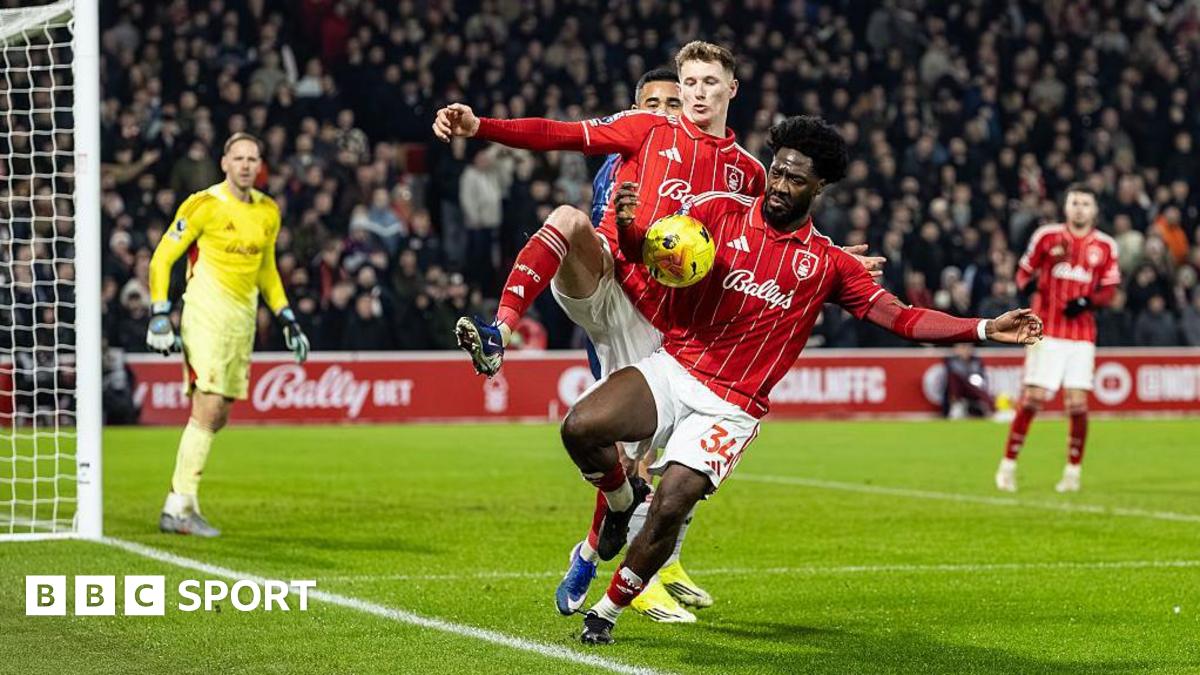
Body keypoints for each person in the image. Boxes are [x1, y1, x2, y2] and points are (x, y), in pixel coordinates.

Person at [564, 116, 1042, 644]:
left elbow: (902, 317)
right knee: (581, 427)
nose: (779, 185)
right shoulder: (715, 212)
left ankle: (607, 610)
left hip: (732, 406)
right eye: (777, 171)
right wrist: (631, 228)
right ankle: (619, 498)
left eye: (795, 179)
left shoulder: (829, 265)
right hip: (676, 367)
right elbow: (646, 256)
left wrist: (981, 325)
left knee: (673, 505)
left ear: (820, 187)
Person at [434, 42, 769, 622]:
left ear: (730, 90)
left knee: (631, 464)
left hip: (661, 324)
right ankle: (498, 332)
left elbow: (770, 246)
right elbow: (555, 133)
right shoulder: (642, 133)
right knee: (566, 218)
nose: (691, 95)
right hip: (608, 284)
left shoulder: (750, 175)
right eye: (684, 83)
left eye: (706, 83)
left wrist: (835, 264)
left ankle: (595, 550)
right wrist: (481, 125)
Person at [147, 132, 310, 537]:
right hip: (205, 312)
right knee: (209, 403)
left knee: (217, 414)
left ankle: (178, 500)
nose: (245, 165)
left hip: (243, 322)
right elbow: (163, 257)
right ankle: (180, 509)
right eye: (238, 158)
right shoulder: (203, 204)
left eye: (253, 159)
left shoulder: (268, 211)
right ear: (224, 163)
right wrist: (159, 312)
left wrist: (287, 316)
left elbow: (267, 271)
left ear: (260, 165)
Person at [995, 184, 1120, 494]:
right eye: (1074, 202)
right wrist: (1027, 290)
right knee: (1034, 398)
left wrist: (1088, 302)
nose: (1079, 208)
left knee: (1077, 404)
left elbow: (1109, 290)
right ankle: (1008, 465)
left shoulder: (1105, 246)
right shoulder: (1047, 237)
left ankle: (1072, 472)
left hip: (1082, 336)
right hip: (1046, 331)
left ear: (1094, 210)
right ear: (1066, 207)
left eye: (1085, 204)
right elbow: (1023, 272)